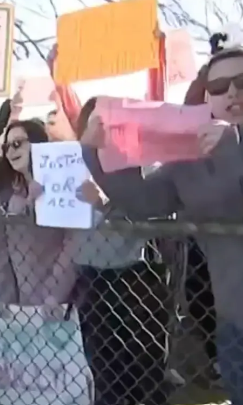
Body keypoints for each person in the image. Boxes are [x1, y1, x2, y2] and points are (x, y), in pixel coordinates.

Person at [79, 38, 243, 405]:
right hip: (236, 330)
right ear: (207, 98)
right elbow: (145, 200)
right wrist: (95, 152)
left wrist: (238, 149)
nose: (231, 92)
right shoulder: (193, 148)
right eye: (217, 87)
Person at [71, 97, 171, 405]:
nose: (101, 128)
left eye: (107, 121)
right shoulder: (69, 165)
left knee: (144, 366)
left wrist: (103, 203)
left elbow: (154, 219)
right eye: (94, 122)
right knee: (102, 364)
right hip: (91, 276)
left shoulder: (143, 164)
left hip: (135, 277)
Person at [0, 120, 77, 308]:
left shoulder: (64, 190)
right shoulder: (3, 198)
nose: (11, 151)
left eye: (18, 143)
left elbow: (73, 245)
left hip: (63, 304)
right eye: (6, 147)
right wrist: (7, 301)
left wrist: (54, 294)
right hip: (21, 307)